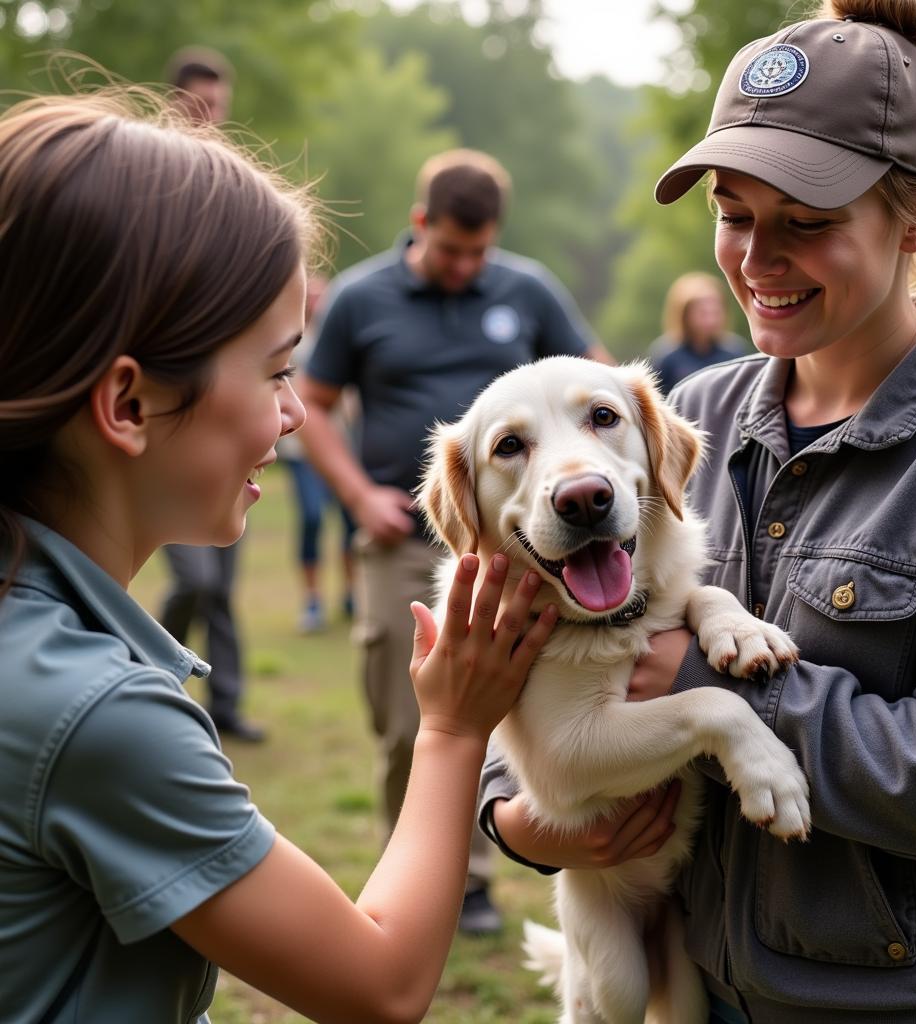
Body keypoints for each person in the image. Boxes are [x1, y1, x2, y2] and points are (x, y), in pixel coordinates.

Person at [479, 1, 916, 1021]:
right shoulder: (688, 413)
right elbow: (528, 666)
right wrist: (520, 822)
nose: (756, 260)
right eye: (733, 215)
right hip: (689, 989)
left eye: (805, 224)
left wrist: (734, 698)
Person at [0, 90, 558, 1024]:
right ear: (129, 405)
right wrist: (456, 731)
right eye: (273, 372)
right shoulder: (93, 717)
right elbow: (379, 987)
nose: (295, 414)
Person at [298, 148, 613, 934]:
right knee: (408, 714)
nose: (466, 266)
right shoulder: (360, 299)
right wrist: (358, 492)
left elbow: (598, 376)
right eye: (450, 250)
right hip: (406, 536)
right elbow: (314, 400)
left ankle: (470, 880)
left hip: (520, 546)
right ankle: (412, 863)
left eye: (479, 251)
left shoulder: (527, 288)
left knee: (510, 702)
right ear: (419, 225)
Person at [158, 46, 263, 741]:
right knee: (193, 577)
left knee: (223, 583)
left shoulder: (235, 194)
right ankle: (155, 678)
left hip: (229, 416)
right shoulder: (153, 192)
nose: (208, 119)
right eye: (197, 108)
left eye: (217, 109)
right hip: (169, 419)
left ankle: (224, 708)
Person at [277, 271, 357, 632]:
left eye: (323, 294)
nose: (317, 301)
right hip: (300, 450)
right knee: (311, 518)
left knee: (350, 524)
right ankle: (312, 599)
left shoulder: (341, 336)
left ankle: (351, 593)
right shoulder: (291, 341)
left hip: (342, 446)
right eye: (312, 294)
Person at [648, 271, 748, 394]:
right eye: (703, 313)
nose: (711, 320)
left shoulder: (734, 352)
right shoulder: (666, 356)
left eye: (715, 313)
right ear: (685, 315)